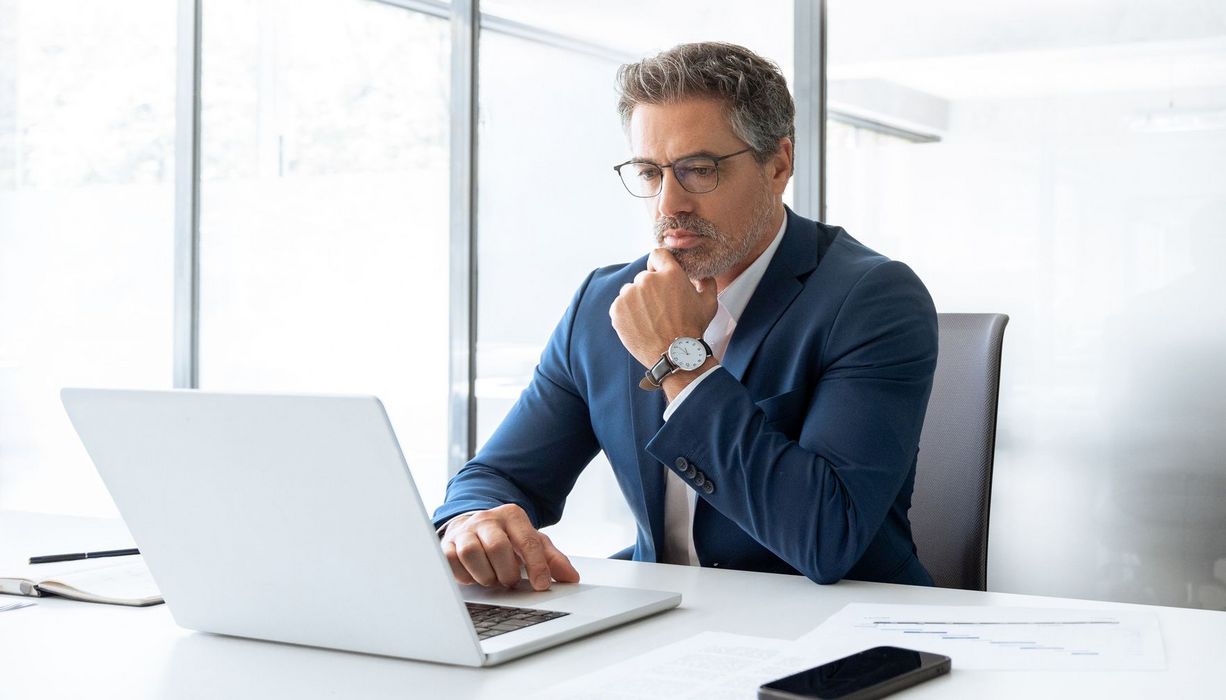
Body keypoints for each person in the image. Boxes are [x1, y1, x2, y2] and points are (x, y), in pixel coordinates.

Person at [432, 42, 938, 591]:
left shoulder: (873, 298)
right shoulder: (603, 302)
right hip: (667, 618)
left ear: (779, 164)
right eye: (650, 172)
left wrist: (677, 358)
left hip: (838, 630)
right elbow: (498, 476)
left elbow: (825, 536)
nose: (668, 204)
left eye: (699, 170)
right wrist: (472, 521)